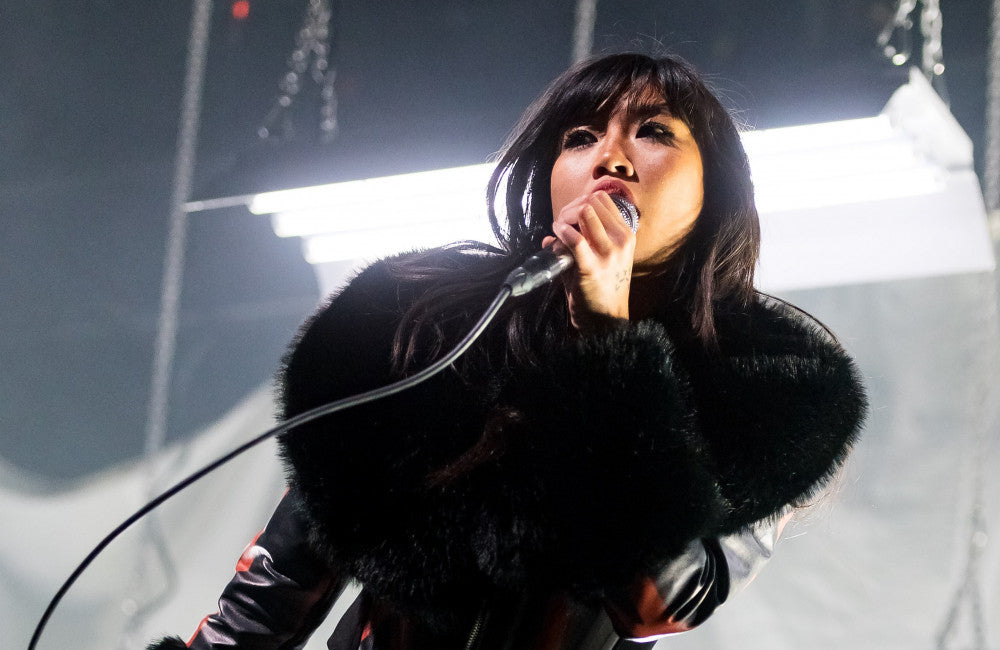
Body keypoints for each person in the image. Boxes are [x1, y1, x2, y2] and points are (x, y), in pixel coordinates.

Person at [148, 53, 866, 649]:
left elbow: (656, 604)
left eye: (652, 131)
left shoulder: (766, 389)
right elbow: (281, 584)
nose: (609, 158)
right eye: (580, 138)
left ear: (718, 189)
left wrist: (608, 342)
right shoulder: (427, 327)